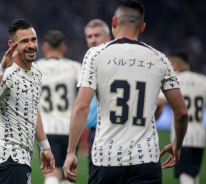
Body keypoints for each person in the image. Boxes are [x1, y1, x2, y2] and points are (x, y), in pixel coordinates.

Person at [63, 1, 188, 184]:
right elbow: (181, 112)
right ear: (142, 27)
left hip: (106, 157)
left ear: (114, 22)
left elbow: (81, 106)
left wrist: (71, 152)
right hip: (146, 158)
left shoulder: (95, 55)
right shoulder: (160, 59)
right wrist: (177, 144)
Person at [0, 19, 55, 184]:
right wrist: (1, 67)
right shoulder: (6, 72)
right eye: (24, 41)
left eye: (33, 39)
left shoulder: (36, 72)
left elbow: (32, 109)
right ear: (12, 44)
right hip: (8, 158)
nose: (31, 45)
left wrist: (45, 147)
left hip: (20, 159)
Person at [37, 30, 81, 184]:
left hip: (46, 129)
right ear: (63, 48)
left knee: (51, 173)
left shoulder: (36, 68)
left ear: (44, 47)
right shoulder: (75, 67)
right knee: (68, 175)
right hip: (70, 129)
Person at [161, 49, 205, 184]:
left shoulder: (173, 80)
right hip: (200, 136)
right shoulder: (202, 80)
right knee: (194, 175)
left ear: (175, 64)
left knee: (185, 175)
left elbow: (159, 102)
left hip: (182, 135)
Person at [84, 19, 111, 172]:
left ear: (108, 37)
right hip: (95, 132)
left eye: (97, 35)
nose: (93, 40)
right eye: (89, 37)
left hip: (111, 129)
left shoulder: (114, 60)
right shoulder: (90, 60)